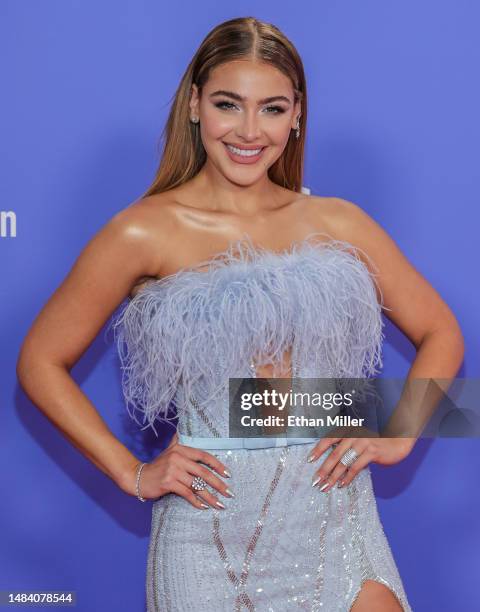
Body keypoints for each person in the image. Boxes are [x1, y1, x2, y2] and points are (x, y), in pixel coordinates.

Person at [16, 16, 464, 612]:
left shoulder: (338, 222)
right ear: (196, 104)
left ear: (297, 114)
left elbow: (442, 332)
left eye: (273, 109)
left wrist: (400, 430)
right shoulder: (142, 230)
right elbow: (40, 361)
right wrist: (133, 472)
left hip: (337, 518)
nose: (250, 131)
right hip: (207, 531)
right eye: (230, 104)